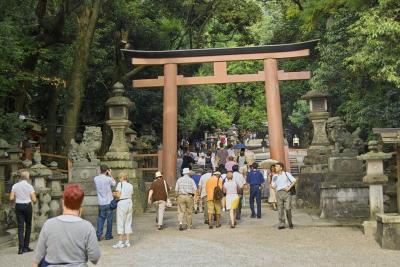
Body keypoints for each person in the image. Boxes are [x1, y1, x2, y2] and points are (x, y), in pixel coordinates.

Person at [33, 184, 100, 266]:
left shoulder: (48, 224)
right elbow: (95, 258)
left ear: (63, 202)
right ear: (81, 204)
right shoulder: (87, 227)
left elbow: (38, 257)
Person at [9, 170, 37, 254]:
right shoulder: (29, 186)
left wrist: (17, 198)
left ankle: (20, 249)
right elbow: (34, 199)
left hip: (18, 206)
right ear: (27, 177)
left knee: (20, 227)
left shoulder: (15, 186)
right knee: (28, 226)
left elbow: (11, 198)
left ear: (21, 177)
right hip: (27, 206)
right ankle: (26, 246)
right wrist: (34, 201)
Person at [271, 162, 296, 229]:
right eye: (275, 166)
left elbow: (294, 181)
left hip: (286, 193)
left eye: (277, 166)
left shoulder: (286, 174)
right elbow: (273, 185)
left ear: (281, 168)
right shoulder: (275, 176)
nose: (275, 168)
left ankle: (290, 222)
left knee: (288, 208)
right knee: (280, 209)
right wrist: (272, 185)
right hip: (278, 193)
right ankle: (282, 223)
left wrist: (289, 187)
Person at [94, 164, 116, 241]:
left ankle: (98, 235)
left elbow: (98, 175)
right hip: (108, 201)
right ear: (107, 171)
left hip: (101, 202)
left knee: (100, 218)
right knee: (109, 219)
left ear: (100, 170)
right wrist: (110, 175)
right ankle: (108, 235)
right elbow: (114, 183)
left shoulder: (96, 178)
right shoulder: (108, 179)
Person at [112, 171, 133, 248]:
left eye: (119, 177)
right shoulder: (130, 185)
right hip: (129, 202)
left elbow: (118, 195)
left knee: (120, 222)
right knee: (128, 222)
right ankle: (127, 241)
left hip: (122, 203)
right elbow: (131, 194)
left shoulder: (119, 184)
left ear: (122, 177)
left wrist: (114, 194)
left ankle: (120, 242)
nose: (119, 179)